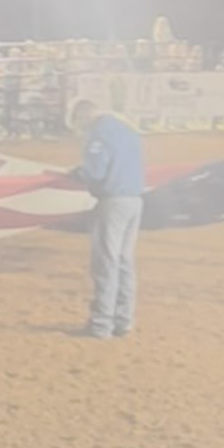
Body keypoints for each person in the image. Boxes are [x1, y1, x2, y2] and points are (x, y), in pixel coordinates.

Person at [68, 99, 145, 339]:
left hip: (113, 202)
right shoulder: (127, 129)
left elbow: (96, 172)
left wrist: (77, 173)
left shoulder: (100, 133)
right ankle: (124, 320)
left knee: (106, 262)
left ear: (83, 116)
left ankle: (101, 324)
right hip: (134, 200)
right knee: (124, 262)